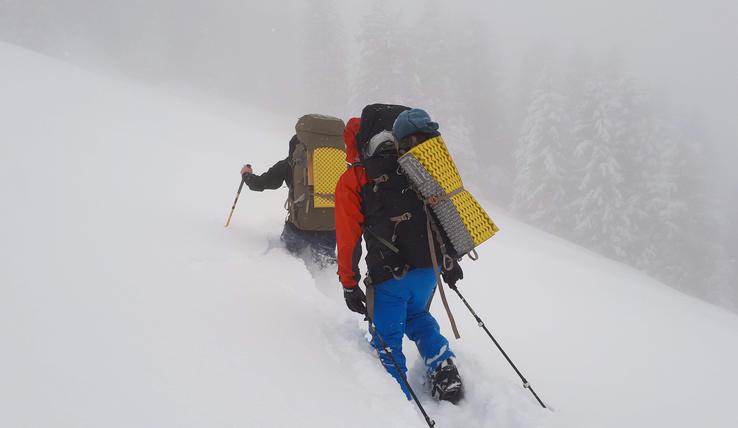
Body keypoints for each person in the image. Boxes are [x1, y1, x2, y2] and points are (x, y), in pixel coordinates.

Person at [334, 106, 464, 404]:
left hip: (389, 276)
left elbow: (348, 238)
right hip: (428, 268)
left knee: (388, 342)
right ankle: (442, 365)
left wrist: (349, 283)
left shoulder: (355, 178)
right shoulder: (415, 164)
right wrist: (450, 260)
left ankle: (399, 406)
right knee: (418, 314)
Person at [241, 133, 337, 267]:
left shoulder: (288, 164)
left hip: (297, 227)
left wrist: (246, 174)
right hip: (329, 230)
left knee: (286, 259)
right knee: (326, 270)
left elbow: (259, 184)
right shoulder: (336, 165)